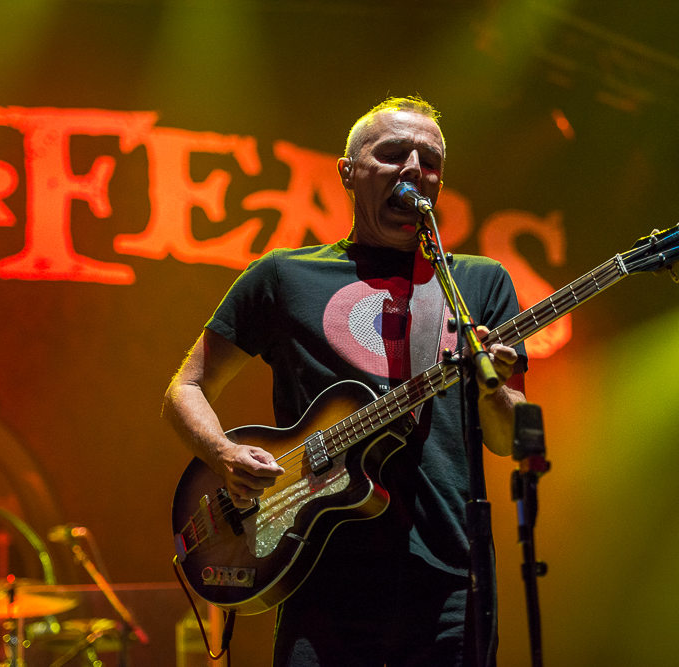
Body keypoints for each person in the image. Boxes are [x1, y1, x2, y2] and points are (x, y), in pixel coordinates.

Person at [163, 96, 528, 667]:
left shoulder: (479, 284)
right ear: (348, 172)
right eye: (393, 153)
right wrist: (224, 453)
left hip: (448, 580)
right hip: (317, 574)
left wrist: (491, 390)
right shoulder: (284, 276)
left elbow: (507, 440)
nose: (414, 168)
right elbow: (185, 389)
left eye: (430, 161)